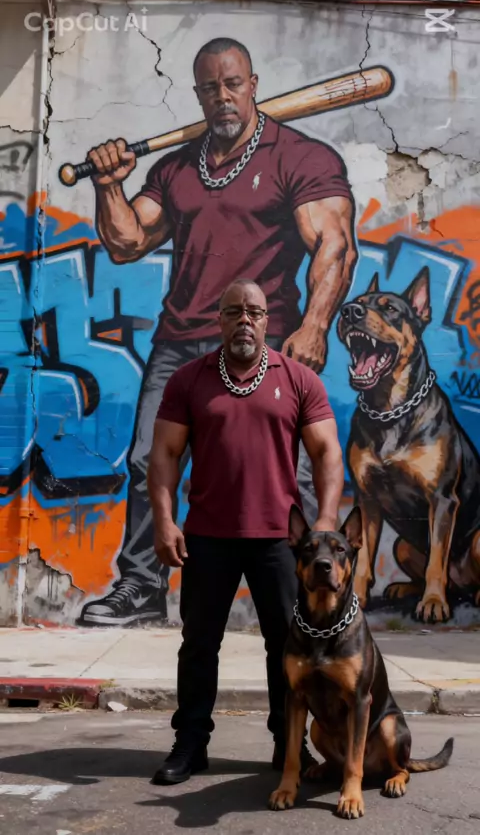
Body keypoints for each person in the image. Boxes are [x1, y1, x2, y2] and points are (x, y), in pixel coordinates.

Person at [79, 36, 357, 627]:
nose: (223, 96)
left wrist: (315, 325)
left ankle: (309, 595)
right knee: (147, 461)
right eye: (210, 88)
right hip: (181, 343)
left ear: (252, 85)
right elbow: (128, 242)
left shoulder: (299, 157)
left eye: (233, 84)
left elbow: (334, 244)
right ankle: (141, 586)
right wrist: (109, 185)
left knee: (292, 470)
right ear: (199, 95)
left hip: (268, 341)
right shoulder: (177, 168)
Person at [148, 278, 345, 784]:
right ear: (219, 320)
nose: (244, 320)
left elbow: (327, 452)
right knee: (199, 644)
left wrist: (325, 520)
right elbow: (165, 453)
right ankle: (190, 744)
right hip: (207, 535)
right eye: (234, 311)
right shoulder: (189, 380)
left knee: (286, 645)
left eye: (253, 312)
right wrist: (165, 521)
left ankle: (288, 745)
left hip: (278, 540)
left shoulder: (298, 379)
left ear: (266, 321)